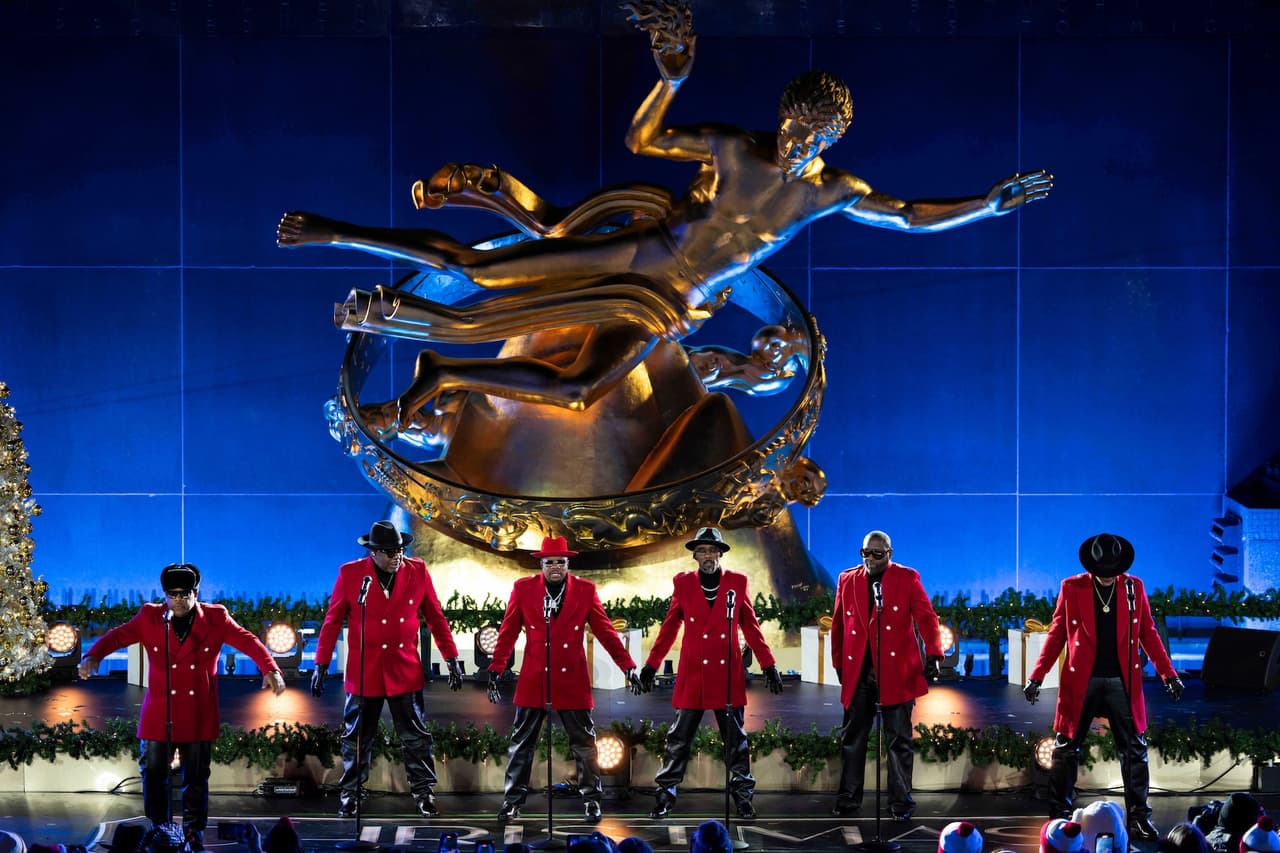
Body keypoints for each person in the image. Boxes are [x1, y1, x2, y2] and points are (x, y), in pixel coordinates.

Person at [276, 0, 1051, 421]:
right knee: (481, 267)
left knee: (582, 391)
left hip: (674, 304)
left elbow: (909, 214)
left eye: (809, 135)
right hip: (638, 253)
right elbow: (642, 136)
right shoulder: (734, 147)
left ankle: (442, 373)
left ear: (831, 138)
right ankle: (336, 231)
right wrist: (671, 77)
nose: (792, 140)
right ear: (778, 116)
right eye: (789, 124)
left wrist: (984, 205)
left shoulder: (831, 190)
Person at [77, 564, 285, 849]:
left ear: (195, 593)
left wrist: (270, 668)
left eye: (184, 593)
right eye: (171, 594)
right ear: (164, 594)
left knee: (196, 776)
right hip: (160, 709)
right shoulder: (151, 617)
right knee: (152, 771)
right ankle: (159, 827)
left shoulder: (216, 617)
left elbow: (246, 640)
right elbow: (118, 635)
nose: (178, 599)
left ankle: (193, 831)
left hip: (198, 709)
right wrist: (93, 655)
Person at [1024, 532, 1185, 839]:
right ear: (1093, 567)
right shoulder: (1072, 587)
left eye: (1113, 571)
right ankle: (1060, 814)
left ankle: (1139, 816)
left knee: (1134, 750)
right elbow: (1057, 633)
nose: (1108, 577)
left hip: (1122, 680)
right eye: (1103, 572)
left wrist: (1169, 674)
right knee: (1066, 748)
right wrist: (1037, 675)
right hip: (1081, 680)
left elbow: (1148, 633)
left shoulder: (1132, 587)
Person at [311, 520, 465, 818]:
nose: (398, 556)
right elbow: (332, 622)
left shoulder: (417, 570)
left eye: (401, 550)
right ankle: (351, 794)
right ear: (374, 553)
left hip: (404, 669)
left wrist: (451, 657)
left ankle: (424, 793)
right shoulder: (351, 574)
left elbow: (435, 616)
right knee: (357, 737)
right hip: (364, 671)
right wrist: (321, 663)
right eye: (391, 552)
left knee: (416, 737)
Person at [486, 535, 642, 824]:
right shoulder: (523, 589)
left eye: (560, 562)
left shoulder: (585, 590)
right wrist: (496, 668)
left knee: (584, 743)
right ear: (541, 564)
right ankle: (512, 801)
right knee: (522, 743)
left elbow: (606, 632)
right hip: (535, 677)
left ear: (568, 563)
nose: (555, 566)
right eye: (550, 562)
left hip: (572, 679)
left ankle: (592, 799)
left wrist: (627, 666)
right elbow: (507, 632)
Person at [638, 527, 783, 820]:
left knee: (736, 741)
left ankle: (743, 798)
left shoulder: (737, 583)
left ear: (720, 553)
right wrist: (652, 664)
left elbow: (751, 627)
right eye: (702, 550)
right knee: (678, 739)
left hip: (726, 674)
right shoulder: (683, 584)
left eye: (712, 550)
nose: (708, 555)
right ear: (695, 555)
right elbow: (669, 628)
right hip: (693, 673)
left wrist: (768, 664)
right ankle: (665, 795)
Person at [829, 530, 943, 821]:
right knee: (853, 739)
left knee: (898, 741)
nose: (870, 559)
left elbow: (926, 617)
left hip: (896, 673)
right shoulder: (847, 579)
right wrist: (839, 662)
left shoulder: (906, 578)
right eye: (865, 553)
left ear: (889, 554)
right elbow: (839, 624)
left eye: (876, 554)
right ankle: (848, 799)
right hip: (859, 673)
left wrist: (934, 653)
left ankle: (900, 802)